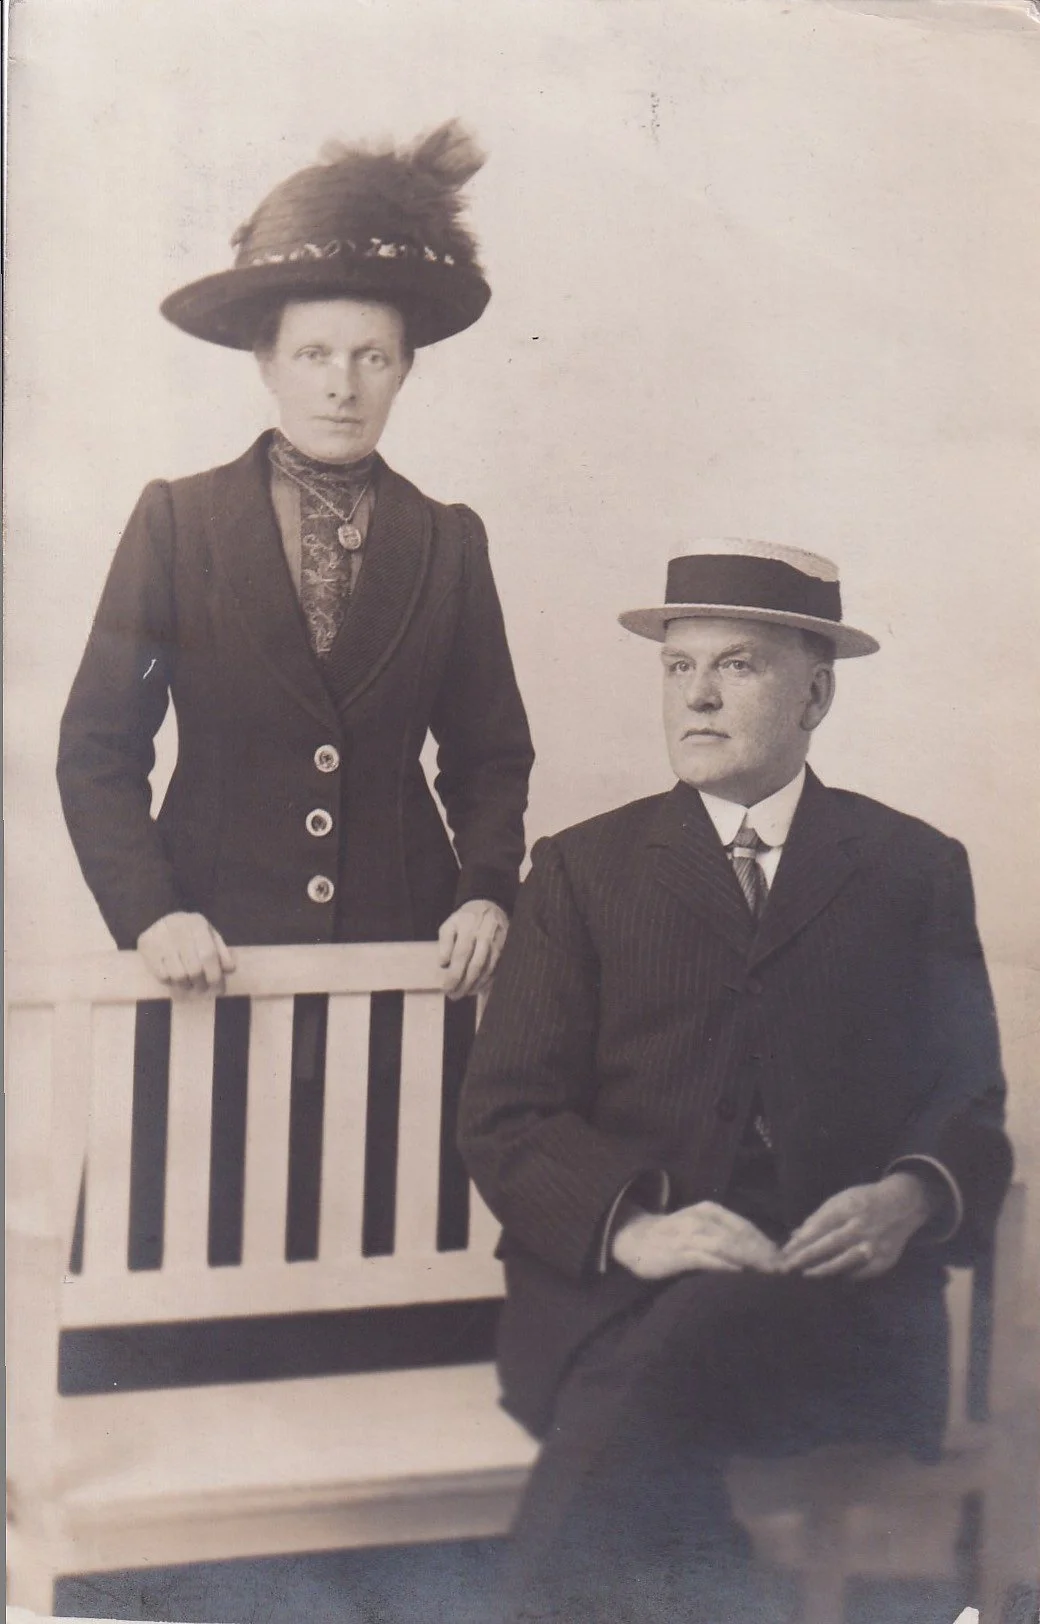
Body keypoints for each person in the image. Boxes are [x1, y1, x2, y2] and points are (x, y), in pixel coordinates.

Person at [458, 539, 1011, 1622]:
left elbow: (969, 1103)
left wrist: (906, 1196)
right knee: (668, 1351)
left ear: (815, 693)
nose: (696, 695)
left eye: (738, 667)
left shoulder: (909, 866)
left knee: (671, 1362)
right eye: (677, 667)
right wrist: (632, 1229)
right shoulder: (583, 869)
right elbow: (504, 1113)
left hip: (831, 1313)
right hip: (609, 1291)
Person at [57, 123, 533, 1371]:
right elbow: (100, 745)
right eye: (314, 352)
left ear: (406, 369)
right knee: (178, 1281)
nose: (341, 382)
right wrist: (150, 911)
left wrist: (486, 885)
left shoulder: (449, 540)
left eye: (372, 355)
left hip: (402, 965)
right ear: (264, 359)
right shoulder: (178, 522)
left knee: (395, 1279)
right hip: (207, 961)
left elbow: (489, 754)